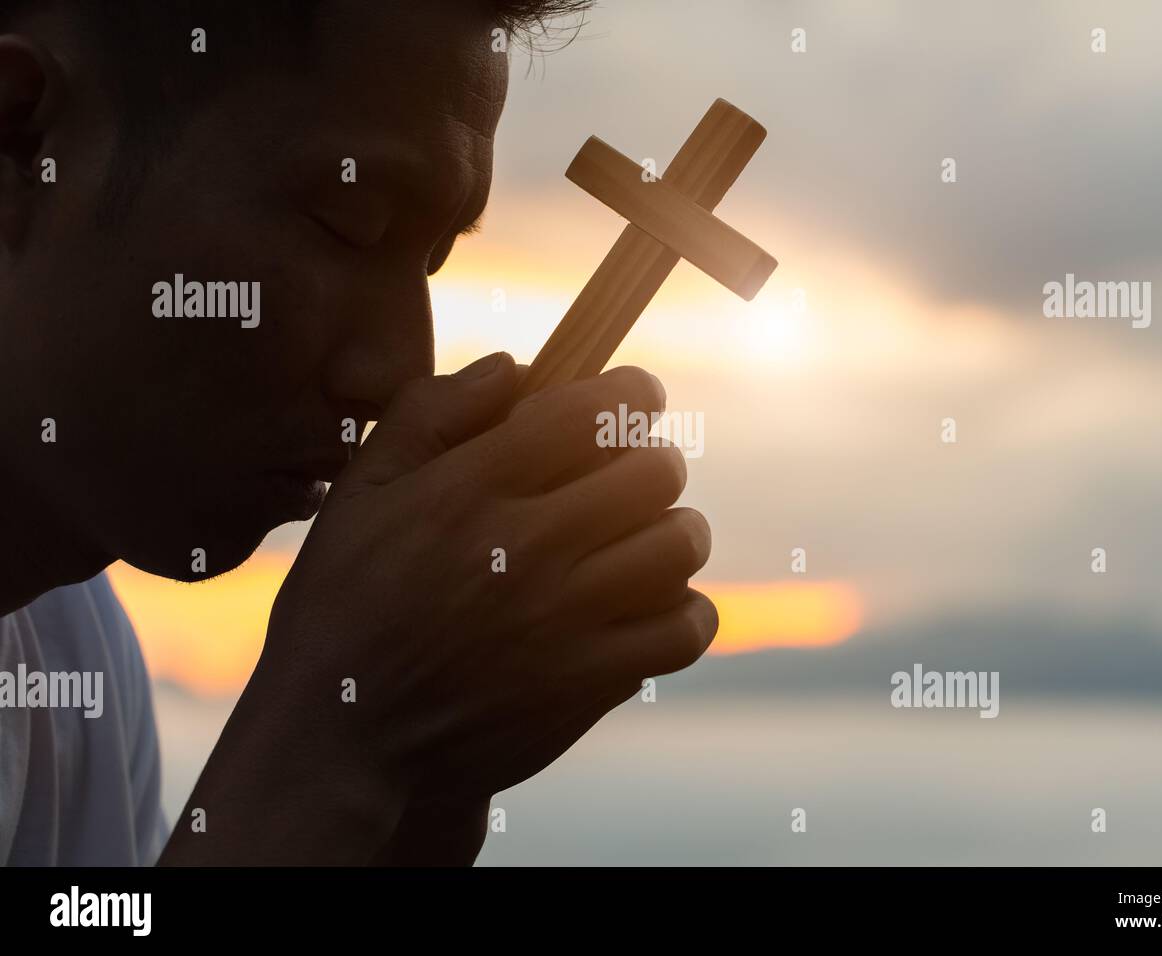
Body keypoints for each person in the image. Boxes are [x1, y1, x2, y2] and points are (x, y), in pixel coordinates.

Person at [0, 0, 717, 865]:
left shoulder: (70, 664)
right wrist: (342, 745)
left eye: (432, 260)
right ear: (19, 144)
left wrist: (424, 792)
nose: (401, 374)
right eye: (347, 226)